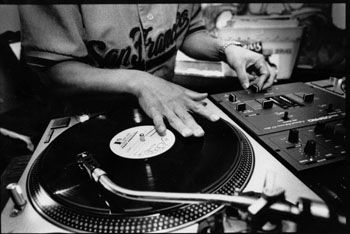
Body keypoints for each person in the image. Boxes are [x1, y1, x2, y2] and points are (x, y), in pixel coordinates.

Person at [18, 4, 276, 138]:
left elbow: (188, 32)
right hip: (89, 125)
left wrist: (227, 49)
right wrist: (139, 82)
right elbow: (55, 71)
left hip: (167, 114)